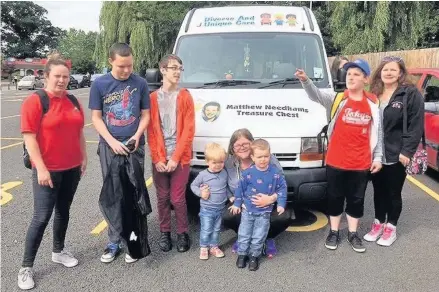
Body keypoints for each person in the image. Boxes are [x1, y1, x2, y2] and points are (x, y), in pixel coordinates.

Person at [295, 59, 383, 253]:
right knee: (334, 198)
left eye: (356, 74)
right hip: (336, 160)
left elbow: (378, 132)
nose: (351, 77)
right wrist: (305, 80)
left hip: (361, 163)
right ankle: (334, 232)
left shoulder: (373, 103)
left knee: (356, 200)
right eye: (349, 73)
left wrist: (377, 157)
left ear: (366, 79)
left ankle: (353, 233)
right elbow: (315, 95)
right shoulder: (337, 99)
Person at [18, 53, 87, 290]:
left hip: (72, 168)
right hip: (47, 170)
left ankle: (58, 251)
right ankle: (26, 267)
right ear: (46, 76)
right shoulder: (36, 101)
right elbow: (29, 137)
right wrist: (41, 168)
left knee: (63, 211)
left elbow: (79, 132)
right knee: (41, 217)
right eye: (57, 76)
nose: (62, 80)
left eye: (65, 76)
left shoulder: (74, 101)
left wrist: (84, 158)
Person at [89, 43, 151, 264]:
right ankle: (114, 240)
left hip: (135, 146)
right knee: (114, 194)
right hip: (110, 147)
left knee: (133, 194)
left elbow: (145, 115)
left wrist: (136, 136)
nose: (127, 70)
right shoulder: (100, 84)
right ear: (111, 62)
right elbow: (96, 117)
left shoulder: (140, 83)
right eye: (122, 66)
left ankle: (132, 241)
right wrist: (112, 141)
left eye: (130, 66)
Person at [364, 56, 424, 246]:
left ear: (400, 73)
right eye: (385, 70)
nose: (388, 73)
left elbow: (416, 124)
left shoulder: (409, 94)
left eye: (393, 70)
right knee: (378, 191)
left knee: (393, 192)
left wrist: (406, 151)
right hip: (375, 154)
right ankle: (378, 223)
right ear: (379, 73)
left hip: (397, 154)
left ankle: (391, 228)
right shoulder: (374, 93)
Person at [147, 54, 195, 253]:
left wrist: (175, 158)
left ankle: (182, 232)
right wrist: (158, 158)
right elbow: (150, 130)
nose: (177, 72)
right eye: (173, 68)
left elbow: (188, 131)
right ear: (163, 70)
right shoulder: (152, 98)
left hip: (180, 158)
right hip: (159, 158)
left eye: (180, 68)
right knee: (162, 197)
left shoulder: (185, 96)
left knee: (177, 198)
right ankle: (165, 232)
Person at [222, 128, 292, 258]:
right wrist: (231, 197)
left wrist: (271, 199)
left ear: (252, 144)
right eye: (237, 145)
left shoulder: (268, 160)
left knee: (283, 216)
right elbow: (222, 182)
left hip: (268, 203)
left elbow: (282, 184)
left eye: (245, 144)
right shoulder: (228, 163)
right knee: (228, 215)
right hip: (243, 204)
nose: (242, 148)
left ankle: (268, 238)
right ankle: (244, 237)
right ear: (232, 148)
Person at [230, 139, 287, 271]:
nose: (263, 160)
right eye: (259, 157)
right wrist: (237, 204)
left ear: (270, 155)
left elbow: (282, 188)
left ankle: (254, 256)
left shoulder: (275, 173)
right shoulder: (248, 173)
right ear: (253, 157)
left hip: (264, 212)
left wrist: (281, 203)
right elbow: (240, 189)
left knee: (259, 235)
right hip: (247, 211)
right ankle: (242, 255)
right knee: (244, 233)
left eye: (266, 156)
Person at [190, 143, 233, 260]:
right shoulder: (203, 175)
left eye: (221, 162)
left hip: (220, 209)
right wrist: (201, 193)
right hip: (207, 209)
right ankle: (204, 247)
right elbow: (193, 185)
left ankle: (214, 246)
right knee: (206, 229)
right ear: (207, 161)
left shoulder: (224, 173)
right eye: (214, 162)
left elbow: (226, 187)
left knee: (216, 229)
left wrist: (230, 196)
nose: (218, 165)